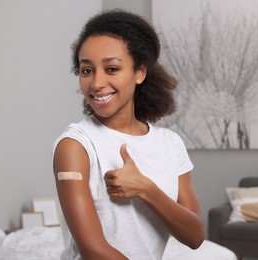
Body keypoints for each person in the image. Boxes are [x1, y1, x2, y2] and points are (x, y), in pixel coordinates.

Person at [52, 9, 204, 260]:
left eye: (111, 69)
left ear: (139, 72)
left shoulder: (170, 144)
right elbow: (94, 251)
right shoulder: (75, 146)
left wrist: (145, 189)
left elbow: (195, 236)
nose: (97, 82)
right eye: (87, 70)